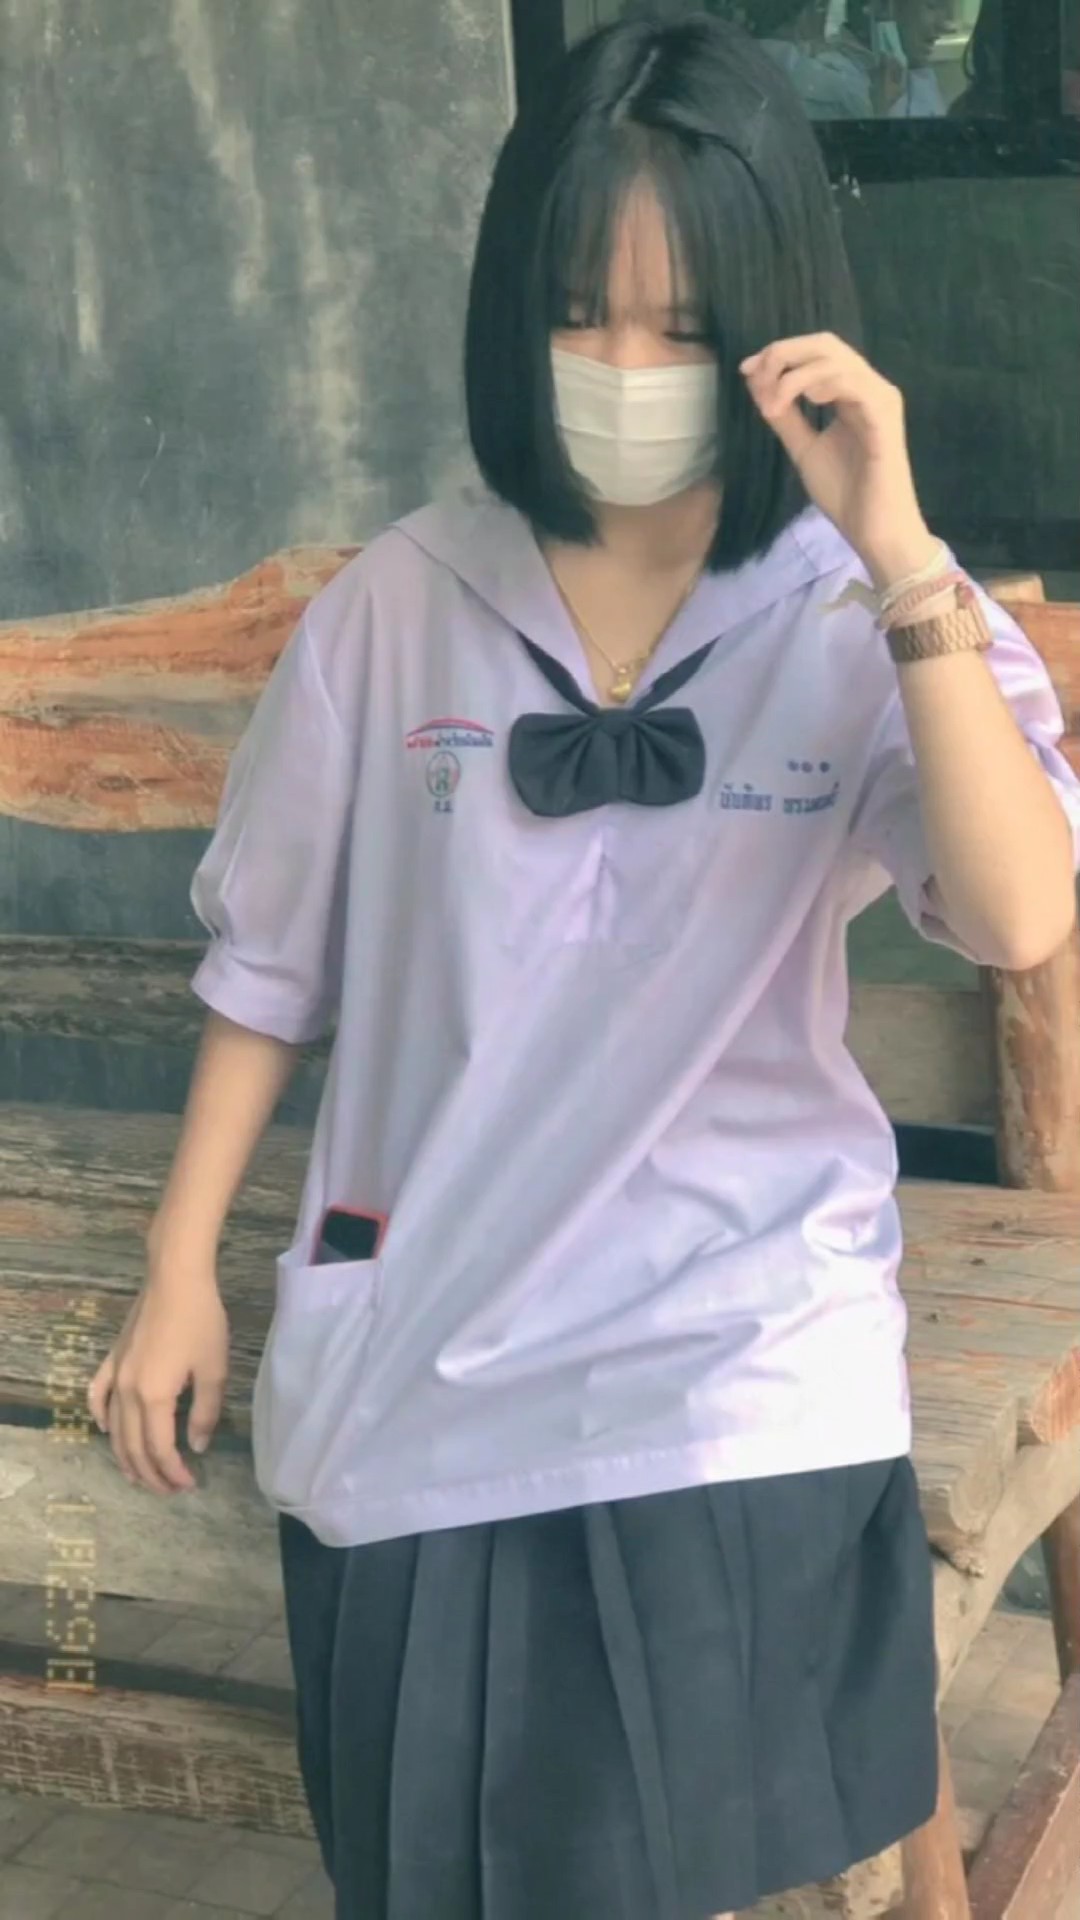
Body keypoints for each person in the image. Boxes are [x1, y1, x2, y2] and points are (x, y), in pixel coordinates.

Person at [87, 16, 1080, 1920]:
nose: (621, 372)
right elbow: (268, 965)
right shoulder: (399, 611)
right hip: (436, 1326)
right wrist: (176, 1266)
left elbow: (1022, 912)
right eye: (576, 314)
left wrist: (901, 555)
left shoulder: (846, 615)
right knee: (453, 1853)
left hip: (736, 1336)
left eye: (682, 326)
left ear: (775, 330)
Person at [744, 0, 878, 114]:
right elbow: (871, 120)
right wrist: (882, 95)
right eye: (823, 6)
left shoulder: (738, 69)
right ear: (813, 8)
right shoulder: (836, 82)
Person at [838, 0, 951, 115]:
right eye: (932, 6)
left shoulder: (917, 70)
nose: (942, 26)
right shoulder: (837, 84)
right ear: (882, 6)